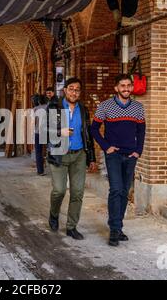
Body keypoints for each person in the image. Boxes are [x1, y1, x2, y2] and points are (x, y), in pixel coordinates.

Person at [90, 74, 146, 246]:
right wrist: (106, 147)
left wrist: (138, 151)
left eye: (129, 85)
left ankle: (118, 227)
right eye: (122, 85)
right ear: (116, 88)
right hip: (113, 155)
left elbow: (141, 131)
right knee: (115, 189)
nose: (126, 88)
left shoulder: (138, 107)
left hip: (131, 156)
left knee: (124, 191)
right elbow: (93, 129)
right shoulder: (105, 106)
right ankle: (114, 229)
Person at [47, 77, 97, 240]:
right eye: (71, 89)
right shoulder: (53, 107)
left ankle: (71, 226)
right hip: (59, 154)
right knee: (59, 190)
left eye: (77, 90)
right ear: (65, 91)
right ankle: (54, 215)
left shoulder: (83, 109)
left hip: (79, 155)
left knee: (77, 192)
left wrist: (91, 158)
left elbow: (88, 134)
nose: (74, 92)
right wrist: (58, 132)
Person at [34, 95, 48, 176]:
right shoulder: (48, 107)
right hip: (48, 132)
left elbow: (33, 122)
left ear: (38, 101)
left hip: (38, 132)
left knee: (38, 152)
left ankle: (40, 171)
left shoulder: (35, 109)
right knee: (49, 149)